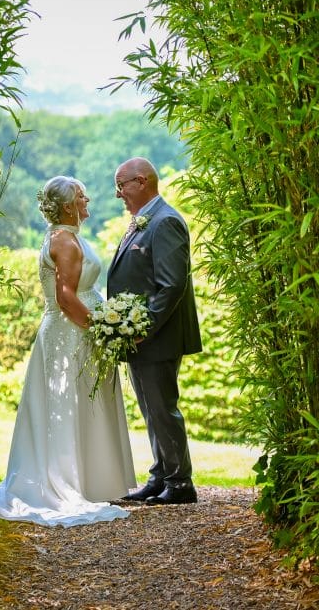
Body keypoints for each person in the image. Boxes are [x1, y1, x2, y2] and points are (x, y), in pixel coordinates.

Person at [0, 175, 136, 527]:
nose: (87, 201)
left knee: (83, 402)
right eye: (82, 196)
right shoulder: (64, 242)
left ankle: (89, 481)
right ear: (68, 205)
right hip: (71, 333)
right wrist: (102, 328)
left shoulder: (66, 236)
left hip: (75, 330)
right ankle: (66, 482)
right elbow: (66, 298)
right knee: (68, 403)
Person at [108, 157, 202, 505]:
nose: (119, 194)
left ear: (143, 180)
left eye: (122, 185)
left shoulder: (165, 222)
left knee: (163, 407)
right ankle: (161, 474)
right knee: (150, 407)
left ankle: (180, 483)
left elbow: (171, 285)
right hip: (140, 336)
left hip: (156, 335)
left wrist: (142, 328)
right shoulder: (142, 221)